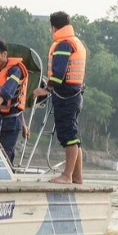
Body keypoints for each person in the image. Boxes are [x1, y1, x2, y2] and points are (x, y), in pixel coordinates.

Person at [33, 11, 87, 184]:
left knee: (68, 135)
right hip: (74, 94)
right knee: (73, 135)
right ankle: (77, 177)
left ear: (53, 27)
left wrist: (46, 89)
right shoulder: (75, 41)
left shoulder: (63, 44)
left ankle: (67, 175)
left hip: (66, 96)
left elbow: (58, 73)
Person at [0, 40, 30, 164]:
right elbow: (15, 100)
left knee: (5, 155)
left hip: (11, 122)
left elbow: (8, 93)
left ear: (4, 54)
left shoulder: (15, 70)